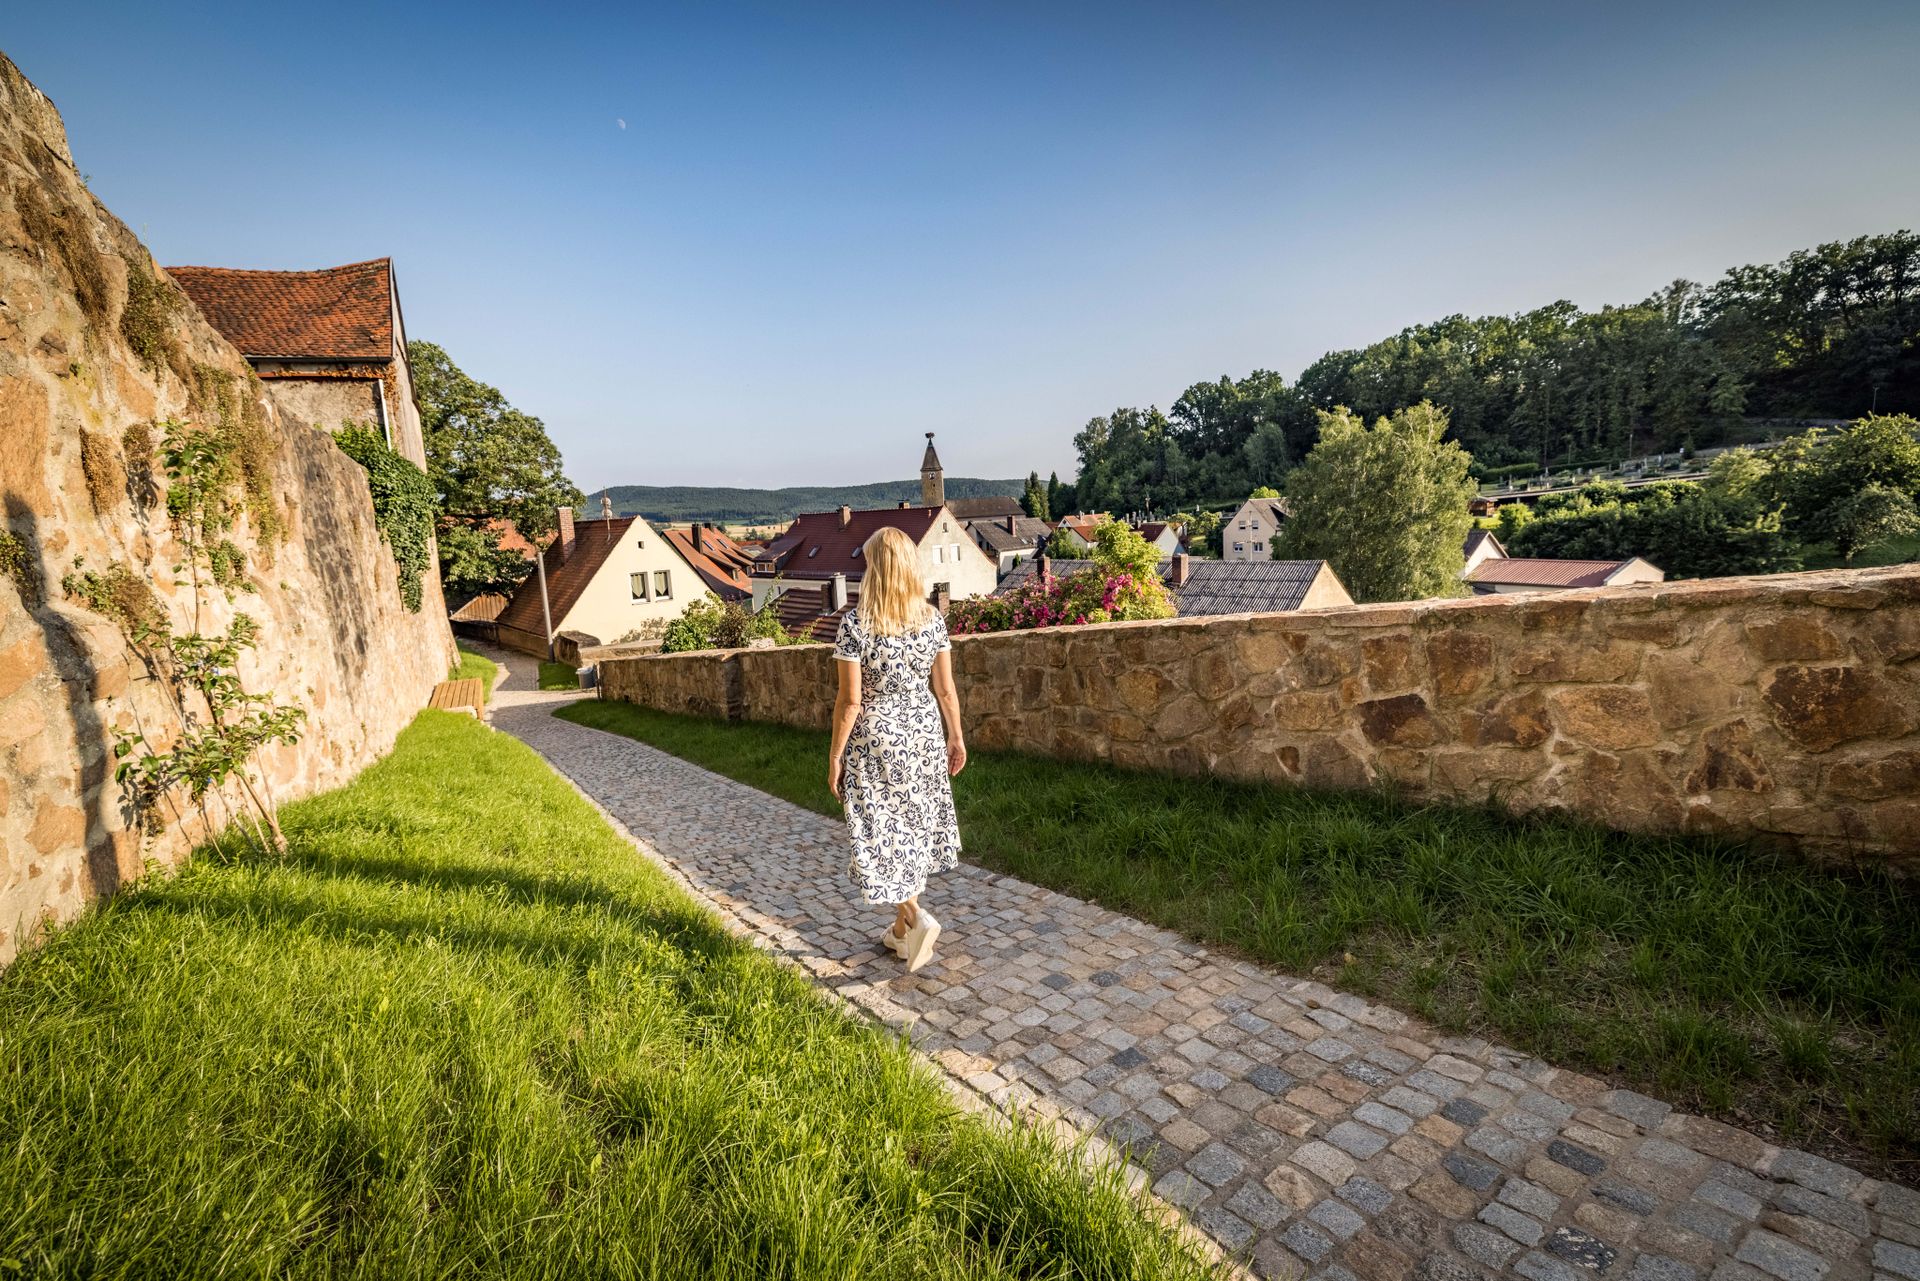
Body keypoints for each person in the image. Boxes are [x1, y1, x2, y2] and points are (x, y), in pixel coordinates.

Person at [828, 526, 966, 971]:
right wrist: (956, 736)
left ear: (876, 570)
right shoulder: (932, 620)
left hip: (876, 741)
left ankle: (916, 917)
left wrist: (834, 756)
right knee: (909, 830)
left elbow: (850, 701)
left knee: (880, 835)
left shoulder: (854, 625)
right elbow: (946, 690)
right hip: (923, 734)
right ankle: (901, 936)